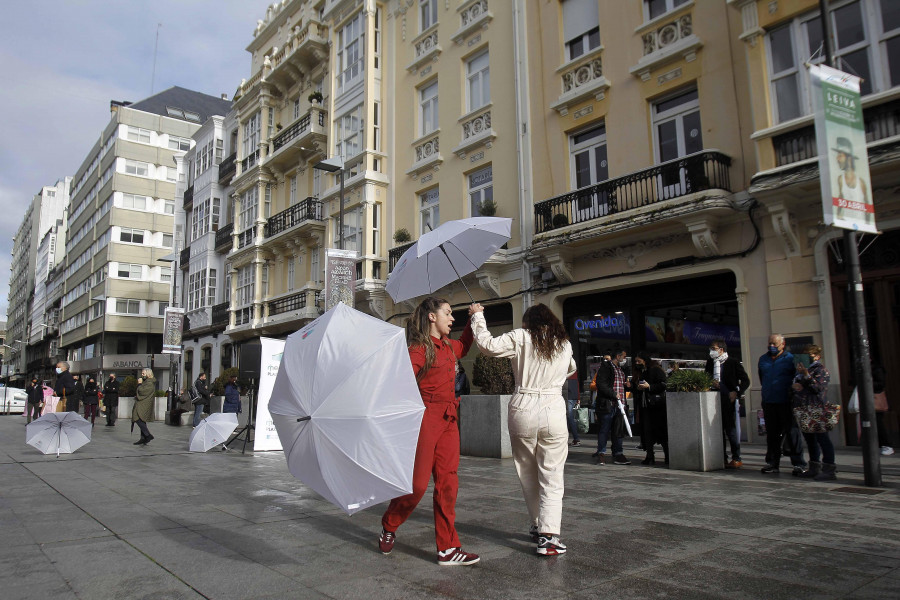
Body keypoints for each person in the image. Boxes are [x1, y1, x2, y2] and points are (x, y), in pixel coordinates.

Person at [379, 297, 480, 566]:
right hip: (425, 420)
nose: (452, 318)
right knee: (417, 486)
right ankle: (390, 524)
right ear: (432, 317)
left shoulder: (448, 345)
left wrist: (473, 318)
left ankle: (448, 548)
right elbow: (397, 383)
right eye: (448, 313)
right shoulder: (419, 350)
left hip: (449, 420)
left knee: (448, 484)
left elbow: (466, 346)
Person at [470, 302, 575, 556]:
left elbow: (488, 346)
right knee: (552, 473)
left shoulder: (520, 337)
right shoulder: (564, 343)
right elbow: (571, 368)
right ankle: (549, 536)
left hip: (523, 407)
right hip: (552, 407)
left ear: (528, 322)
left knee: (527, 470)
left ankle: (538, 524)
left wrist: (478, 316)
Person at [758, 334, 807, 475]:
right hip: (769, 401)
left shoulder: (790, 359)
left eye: (775, 344)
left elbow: (798, 378)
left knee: (792, 433)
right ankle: (772, 463)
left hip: (786, 401)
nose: (771, 346)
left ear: (783, 344)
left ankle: (798, 464)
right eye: (770, 343)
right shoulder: (763, 359)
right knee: (772, 435)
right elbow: (762, 377)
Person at [792, 345, 837, 481]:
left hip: (817, 409)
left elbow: (817, 388)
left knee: (823, 439)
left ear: (817, 356)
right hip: (804, 409)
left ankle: (829, 469)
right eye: (805, 354)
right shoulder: (800, 371)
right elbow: (798, 387)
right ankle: (814, 467)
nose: (807, 356)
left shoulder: (820, 370)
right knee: (810, 440)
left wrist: (806, 376)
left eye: (810, 354)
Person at [705, 339, 750, 469]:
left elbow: (745, 380)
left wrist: (737, 391)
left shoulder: (733, 362)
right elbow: (706, 376)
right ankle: (722, 457)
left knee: (731, 429)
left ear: (721, 349)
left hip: (729, 398)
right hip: (713, 397)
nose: (711, 351)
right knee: (717, 429)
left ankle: (736, 457)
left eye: (714, 348)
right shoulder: (710, 362)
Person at [591, 348, 631, 465]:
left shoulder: (621, 369)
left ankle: (618, 453)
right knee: (604, 429)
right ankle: (601, 453)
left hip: (620, 405)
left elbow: (622, 385)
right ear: (618, 356)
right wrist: (613, 394)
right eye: (623, 356)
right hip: (608, 404)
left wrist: (628, 386)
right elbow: (601, 384)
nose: (624, 359)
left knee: (618, 430)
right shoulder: (606, 367)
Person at [634, 352, 669, 465]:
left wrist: (650, 387)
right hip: (646, 406)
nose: (637, 363)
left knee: (662, 432)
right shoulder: (640, 373)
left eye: (639, 361)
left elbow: (663, 385)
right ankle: (650, 455)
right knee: (647, 432)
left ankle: (667, 456)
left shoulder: (656, 370)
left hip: (657, 406)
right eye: (636, 361)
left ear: (645, 360)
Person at [872, 362, 894, 456]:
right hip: (868, 399)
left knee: (878, 423)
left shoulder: (877, 369)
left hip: (875, 399)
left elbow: (881, 384)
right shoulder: (861, 369)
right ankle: (879, 445)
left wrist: (868, 382)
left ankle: (887, 445)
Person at [132, 368, 156, 445]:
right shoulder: (146, 382)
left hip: (144, 404)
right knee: (141, 419)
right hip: (141, 403)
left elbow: (142, 391)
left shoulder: (149, 383)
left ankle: (147, 435)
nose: (142, 375)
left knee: (137, 418)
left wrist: (139, 384)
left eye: (143, 374)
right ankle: (143, 437)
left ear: (148, 374)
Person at [565, 371, 581, 447]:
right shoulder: (574, 371)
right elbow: (577, 384)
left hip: (568, 396)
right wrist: (578, 397)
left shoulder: (565, 372)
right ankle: (567, 439)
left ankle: (576, 439)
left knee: (569, 417)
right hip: (573, 396)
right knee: (568, 417)